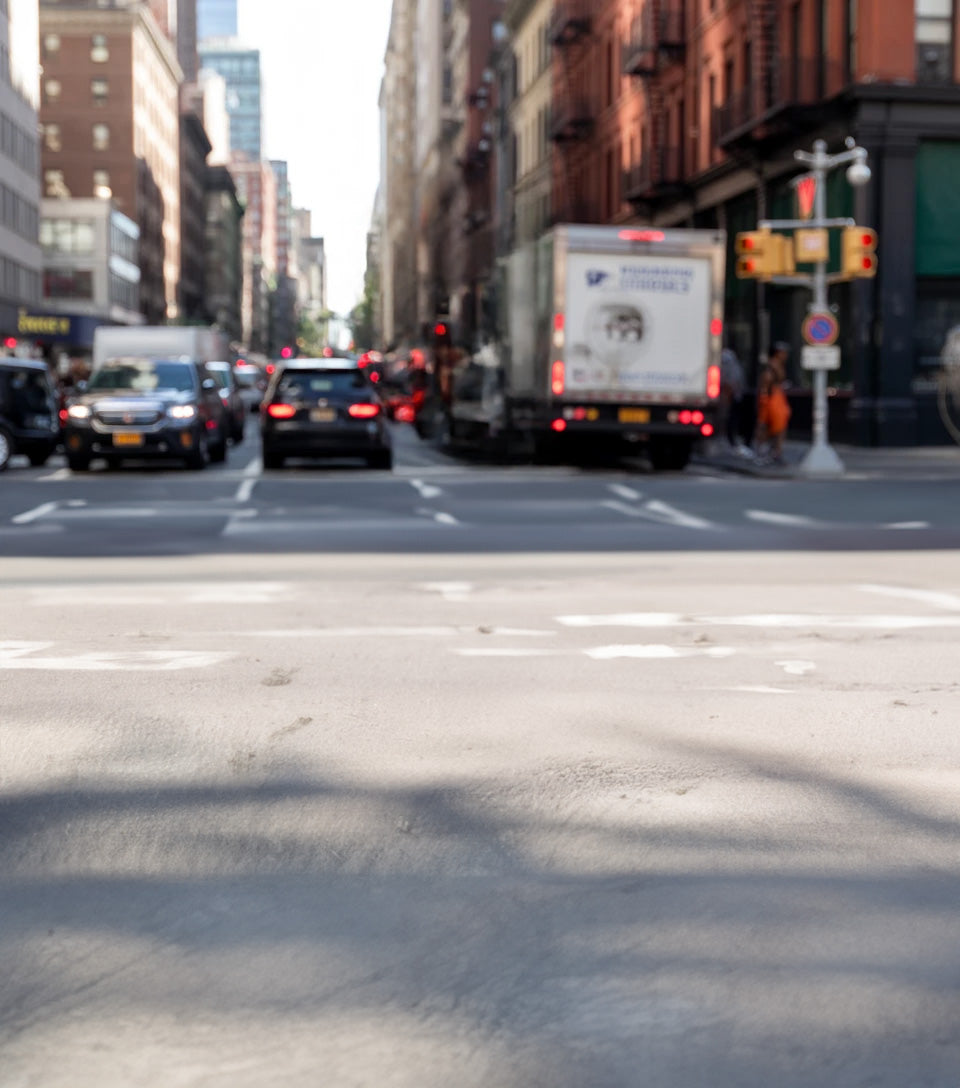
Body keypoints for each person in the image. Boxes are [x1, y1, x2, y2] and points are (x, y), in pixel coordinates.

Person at [754, 342, 792, 464]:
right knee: (771, 426)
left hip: (776, 399)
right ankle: (768, 451)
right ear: (777, 353)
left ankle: (773, 451)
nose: (785, 356)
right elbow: (765, 382)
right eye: (783, 353)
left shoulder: (777, 366)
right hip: (772, 400)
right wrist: (764, 400)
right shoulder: (772, 367)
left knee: (778, 426)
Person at [719, 347, 746, 449]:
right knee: (727, 418)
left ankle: (729, 439)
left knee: (730, 418)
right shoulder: (729, 363)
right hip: (728, 396)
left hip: (732, 397)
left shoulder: (730, 363)